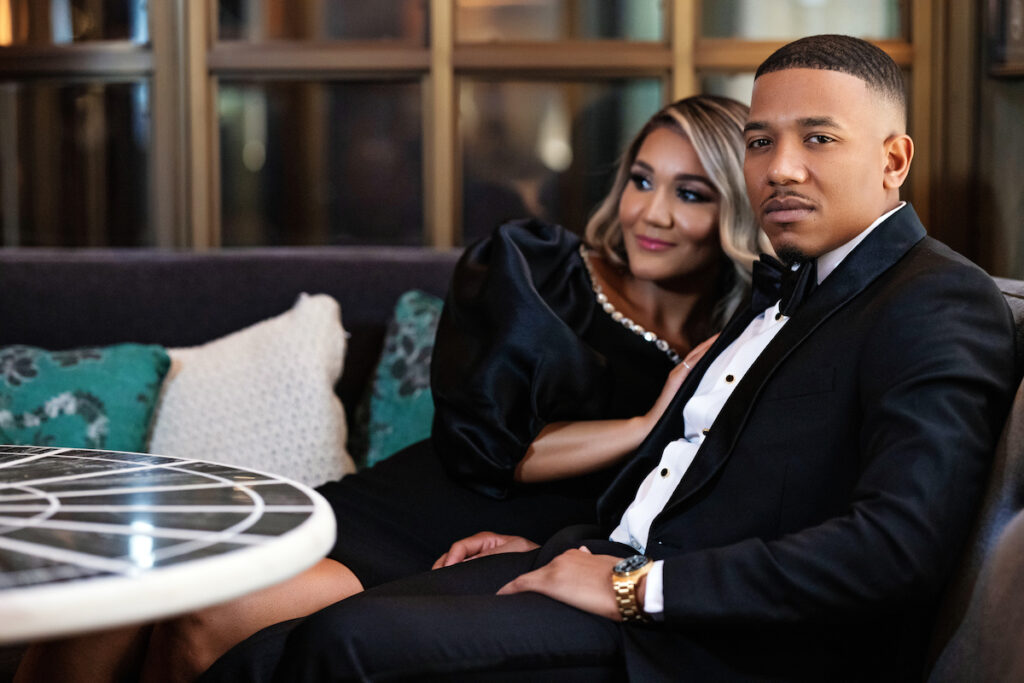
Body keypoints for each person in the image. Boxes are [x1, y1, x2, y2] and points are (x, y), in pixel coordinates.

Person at [196, 34, 1018, 682]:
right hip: (603, 560)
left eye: (819, 138)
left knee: (345, 640)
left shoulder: (936, 299)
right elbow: (692, 489)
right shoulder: (786, 291)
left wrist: (634, 586)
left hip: (705, 638)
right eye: (761, 141)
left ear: (893, 159)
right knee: (276, 646)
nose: (780, 168)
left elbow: (896, 549)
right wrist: (555, 547)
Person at [14, 95, 767, 683]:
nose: (652, 213)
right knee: (122, 595)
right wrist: (645, 421)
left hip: (471, 557)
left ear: (735, 208)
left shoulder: (740, 346)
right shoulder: (540, 270)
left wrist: (556, 544)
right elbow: (491, 445)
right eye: (641, 180)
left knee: (205, 621)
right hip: (406, 507)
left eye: (691, 193)